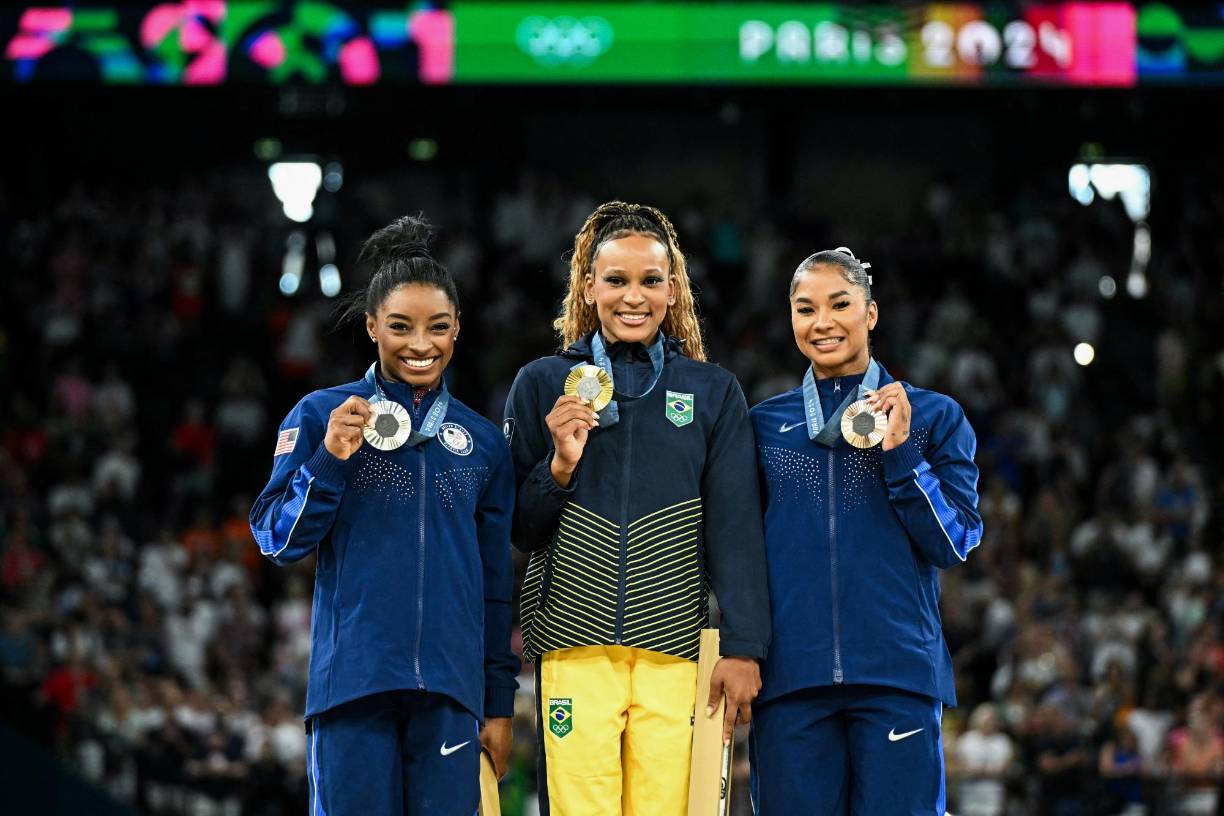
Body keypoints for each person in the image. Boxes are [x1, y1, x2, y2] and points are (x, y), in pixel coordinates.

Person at [504, 201, 770, 814]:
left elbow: (735, 528)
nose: (634, 296)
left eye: (650, 280)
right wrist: (559, 467)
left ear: (672, 290)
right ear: (589, 286)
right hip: (572, 645)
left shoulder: (712, 392)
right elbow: (520, 528)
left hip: (675, 649)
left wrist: (744, 646)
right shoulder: (542, 383)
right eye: (616, 280)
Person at [249, 215, 518, 816]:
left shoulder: (482, 443)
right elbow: (276, 539)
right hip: (353, 686)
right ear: (372, 326)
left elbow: (495, 585)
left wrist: (498, 703)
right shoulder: (322, 415)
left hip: (450, 694)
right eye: (400, 326)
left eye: (438, 327)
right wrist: (329, 460)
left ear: (457, 328)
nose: (420, 344)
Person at [748, 247, 983, 814]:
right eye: (806, 309)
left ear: (870, 313)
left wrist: (900, 454)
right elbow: (738, 552)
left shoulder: (933, 416)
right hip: (791, 680)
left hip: (897, 675)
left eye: (839, 304)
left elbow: (953, 542)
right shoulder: (763, 426)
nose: (822, 322)